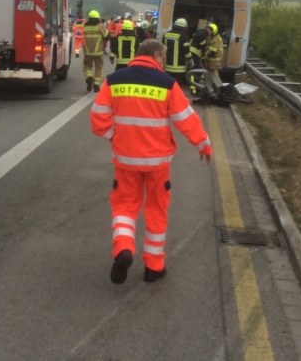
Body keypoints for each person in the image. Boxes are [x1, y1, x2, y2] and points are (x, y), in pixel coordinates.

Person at [90, 39, 213, 284]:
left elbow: (98, 119)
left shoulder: (114, 80)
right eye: (163, 58)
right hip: (158, 163)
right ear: (156, 54)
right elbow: (185, 119)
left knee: (124, 206)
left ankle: (123, 249)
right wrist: (203, 144)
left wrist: (116, 137)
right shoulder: (167, 83)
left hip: (126, 160)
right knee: (156, 210)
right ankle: (153, 267)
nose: (163, 63)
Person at [82, 10, 109, 93]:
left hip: (87, 52)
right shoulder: (100, 26)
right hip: (98, 52)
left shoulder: (84, 27)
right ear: (98, 18)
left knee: (86, 66)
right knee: (98, 68)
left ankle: (89, 77)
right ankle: (96, 85)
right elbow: (107, 36)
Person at [200, 22, 224, 99]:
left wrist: (205, 57)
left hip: (214, 60)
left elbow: (212, 51)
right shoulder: (211, 36)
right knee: (208, 74)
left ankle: (219, 91)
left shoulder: (217, 38)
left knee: (214, 75)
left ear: (214, 31)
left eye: (210, 30)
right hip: (210, 60)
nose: (208, 31)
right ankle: (209, 90)